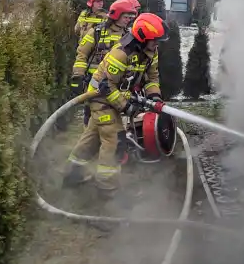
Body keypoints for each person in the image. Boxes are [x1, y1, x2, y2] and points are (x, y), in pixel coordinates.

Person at [63, 12, 168, 196]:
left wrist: (154, 96)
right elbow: (106, 86)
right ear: (143, 37)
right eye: (155, 40)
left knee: (92, 138)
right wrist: (126, 106)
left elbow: (152, 77)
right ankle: (106, 188)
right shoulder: (121, 53)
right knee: (115, 140)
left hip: (114, 97)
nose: (157, 43)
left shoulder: (151, 52)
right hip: (99, 98)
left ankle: (73, 175)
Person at [70, 0, 138, 127]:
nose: (129, 20)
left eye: (130, 17)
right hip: (93, 83)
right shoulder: (97, 33)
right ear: (117, 15)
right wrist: (78, 77)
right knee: (91, 117)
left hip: (115, 86)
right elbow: (82, 54)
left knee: (113, 120)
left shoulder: (128, 37)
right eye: (126, 17)